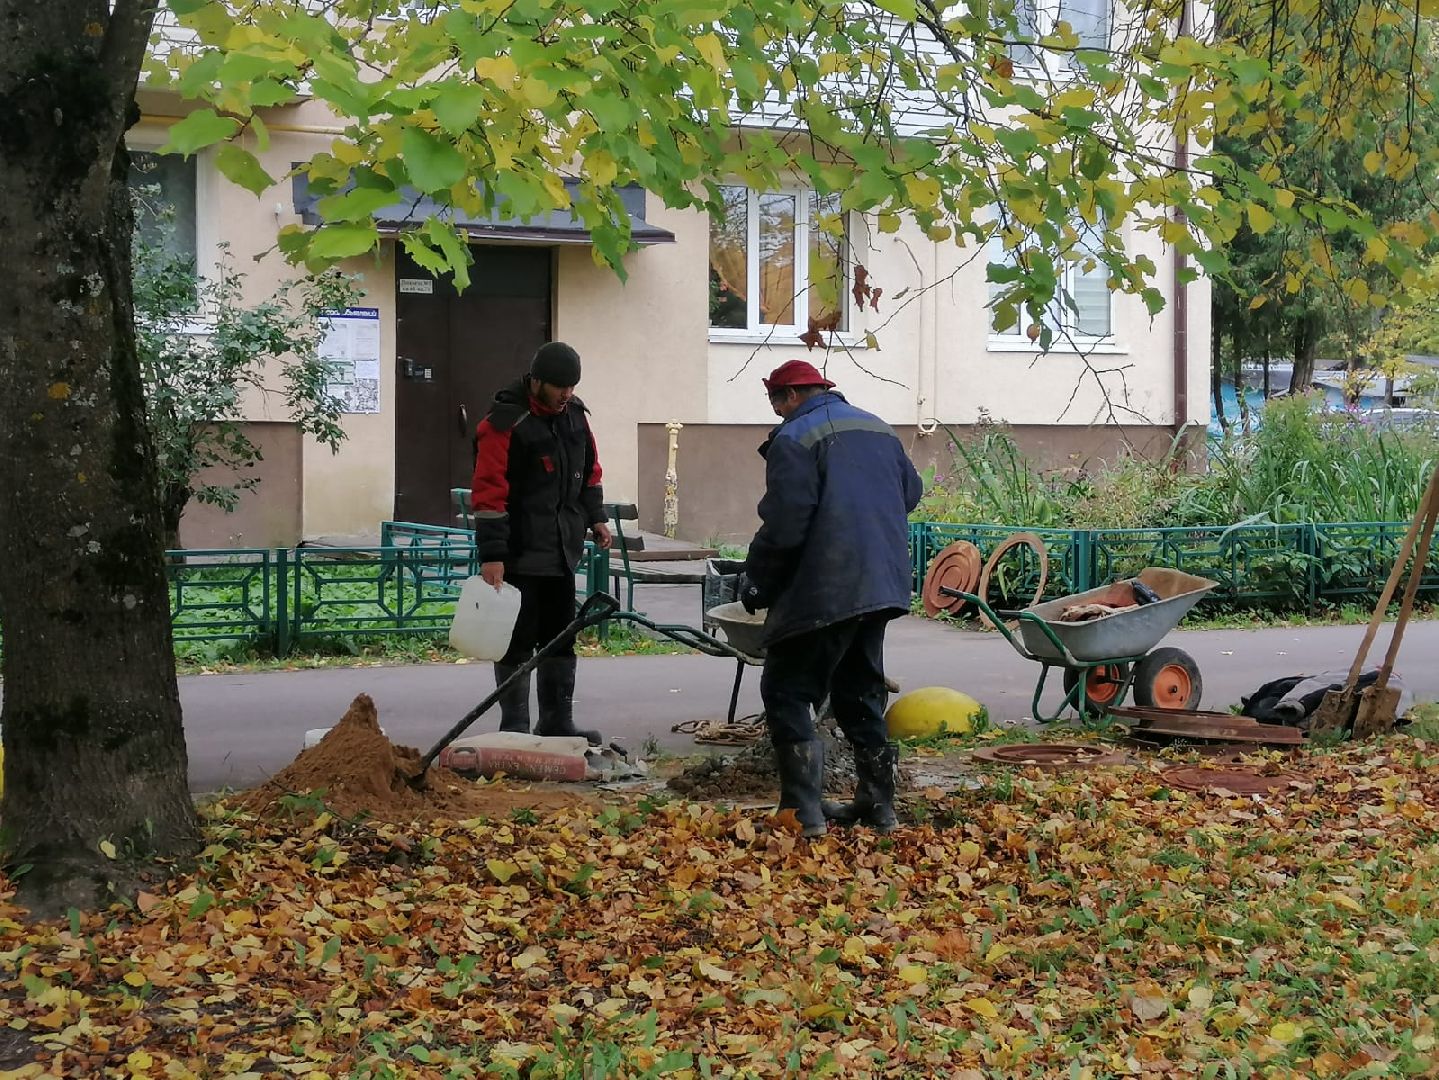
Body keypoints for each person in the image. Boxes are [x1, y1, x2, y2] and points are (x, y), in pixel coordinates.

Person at [739, 359, 924, 836]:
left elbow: (786, 523)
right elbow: (911, 492)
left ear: (792, 395)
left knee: (786, 691)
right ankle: (879, 805)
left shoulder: (794, 437)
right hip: (883, 584)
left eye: (776, 402)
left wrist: (756, 580)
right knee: (859, 690)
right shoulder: (879, 428)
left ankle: (802, 813)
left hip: (828, 588)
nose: (777, 412)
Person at [471, 342, 613, 744]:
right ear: (536, 381)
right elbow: (488, 492)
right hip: (518, 553)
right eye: (559, 387)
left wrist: (597, 518)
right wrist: (493, 555)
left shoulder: (575, 418)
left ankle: (555, 721)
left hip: (562, 551)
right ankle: (514, 726)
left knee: (560, 637)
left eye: (571, 387)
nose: (567, 394)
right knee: (515, 641)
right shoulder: (503, 424)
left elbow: (589, 473)